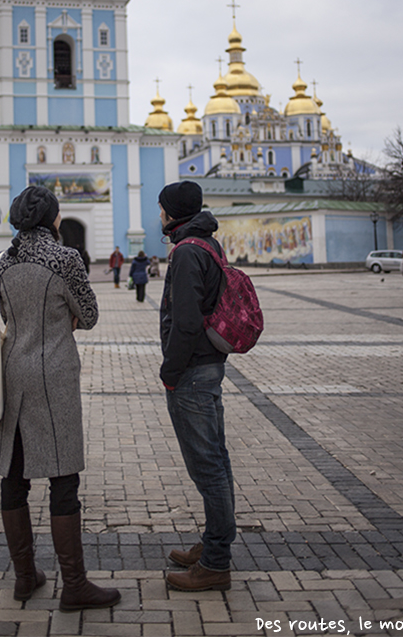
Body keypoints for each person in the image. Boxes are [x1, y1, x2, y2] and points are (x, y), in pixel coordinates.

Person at [0, 185, 121, 611]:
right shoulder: (65, 259)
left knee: (15, 476)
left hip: (13, 371)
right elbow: (90, 314)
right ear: (51, 218)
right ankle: (75, 585)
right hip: (54, 375)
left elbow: (7, 315)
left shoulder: (4, 260)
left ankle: (25, 577)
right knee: (63, 477)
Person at [158, 181, 235, 592]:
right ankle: (212, 545)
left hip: (192, 372)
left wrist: (170, 371)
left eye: (162, 209)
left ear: (174, 212)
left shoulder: (188, 252)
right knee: (215, 462)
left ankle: (216, 562)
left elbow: (186, 322)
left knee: (208, 467)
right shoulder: (207, 244)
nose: (159, 216)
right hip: (207, 366)